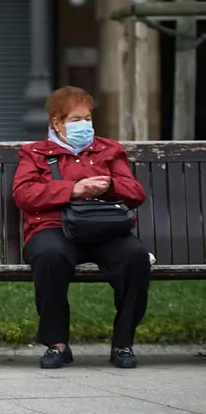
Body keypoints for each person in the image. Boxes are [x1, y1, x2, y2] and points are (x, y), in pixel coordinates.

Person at [12, 86, 150, 369]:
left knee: (134, 258)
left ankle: (123, 344)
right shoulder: (35, 153)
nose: (84, 125)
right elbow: (24, 195)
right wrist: (72, 189)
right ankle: (57, 344)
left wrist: (110, 186)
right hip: (53, 227)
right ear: (57, 123)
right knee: (50, 256)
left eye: (87, 119)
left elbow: (135, 193)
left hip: (105, 228)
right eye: (76, 120)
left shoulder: (108, 150)